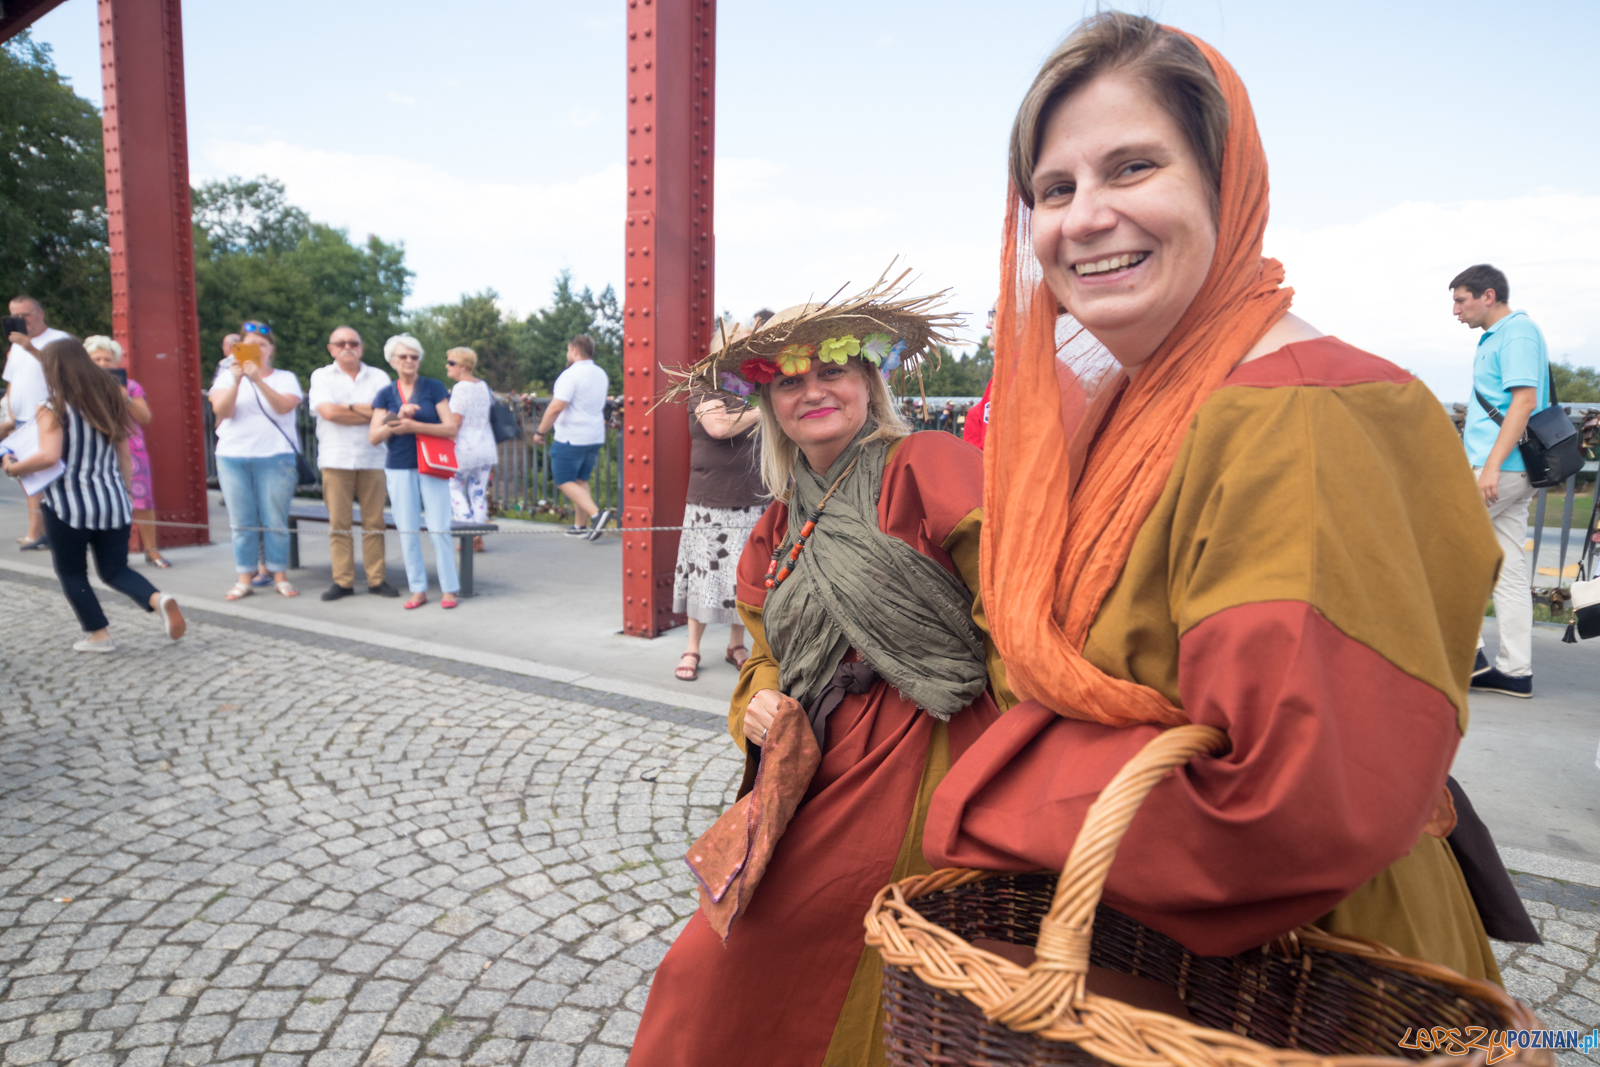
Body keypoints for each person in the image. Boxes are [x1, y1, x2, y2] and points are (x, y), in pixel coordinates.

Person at [924, 12, 1514, 993]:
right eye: (1053, 188)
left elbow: (1287, 803)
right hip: (1151, 943)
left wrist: (984, 791)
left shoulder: (1301, 413)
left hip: (1303, 974)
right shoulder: (1139, 396)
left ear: (1224, 179)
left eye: (1131, 167)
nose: (1082, 217)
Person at [631, 284, 1016, 1066]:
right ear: (768, 403)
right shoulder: (774, 524)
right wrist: (760, 697)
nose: (813, 389)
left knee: (921, 983)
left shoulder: (929, 465)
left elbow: (1014, 611)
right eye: (788, 379)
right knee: (713, 970)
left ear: (869, 382)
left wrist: (1025, 764)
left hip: (942, 757)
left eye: (833, 369)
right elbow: (762, 648)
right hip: (820, 766)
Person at [1, 335, 185, 650]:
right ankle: (157, 598)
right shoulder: (110, 401)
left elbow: (49, 456)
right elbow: (124, 457)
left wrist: (12, 467)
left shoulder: (53, 407)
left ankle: (99, 635)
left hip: (68, 505)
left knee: (72, 572)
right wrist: (124, 493)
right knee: (115, 569)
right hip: (112, 500)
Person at [1452, 264, 1545, 699]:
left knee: (1446, 544)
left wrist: (1489, 467)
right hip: (1505, 467)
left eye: (1461, 300)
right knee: (1508, 567)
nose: (1456, 310)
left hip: (1502, 470)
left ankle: (1467, 655)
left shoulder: (1517, 333)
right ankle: (1515, 671)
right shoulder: (1496, 337)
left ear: (1488, 296)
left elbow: (1524, 401)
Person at [670, 373, 764, 681]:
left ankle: (735, 645)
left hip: (755, 496)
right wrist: (765, 408)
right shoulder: (703, 387)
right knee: (703, 576)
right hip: (709, 502)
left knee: (746, 574)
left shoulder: (756, 388)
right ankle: (692, 647)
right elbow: (719, 426)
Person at [209, 322, 305, 600]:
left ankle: (279, 576)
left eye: (262, 345)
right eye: (249, 345)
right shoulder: (227, 377)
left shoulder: (285, 377)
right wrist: (238, 379)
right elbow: (222, 410)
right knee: (241, 521)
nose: (257, 350)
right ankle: (244, 577)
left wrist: (258, 380)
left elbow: (283, 406)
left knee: (275, 519)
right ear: (238, 350)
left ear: (271, 349)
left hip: (275, 458)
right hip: (232, 456)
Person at [368, 334, 461, 610]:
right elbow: (374, 436)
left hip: (432, 463)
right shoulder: (386, 394)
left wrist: (415, 426)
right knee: (407, 528)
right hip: (399, 465)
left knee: (439, 527)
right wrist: (399, 417)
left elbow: (451, 428)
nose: (409, 361)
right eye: (403, 356)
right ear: (393, 361)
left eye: (414, 356)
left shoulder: (433, 387)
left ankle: (449, 588)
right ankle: (417, 589)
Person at [307, 326, 397, 601]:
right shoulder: (321, 376)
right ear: (331, 348)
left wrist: (347, 407)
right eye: (341, 342)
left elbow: (388, 416)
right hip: (336, 458)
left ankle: (376, 579)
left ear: (361, 347)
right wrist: (366, 410)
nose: (348, 346)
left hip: (373, 457)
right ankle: (343, 581)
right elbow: (328, 412)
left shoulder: (379, 376)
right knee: (339, 524)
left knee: (374, 522)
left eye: (353, 342)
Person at [83, 336, 170, 569]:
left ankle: (152, 550)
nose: (103, 363)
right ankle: (110, 552)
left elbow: (145, 417)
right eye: (97, 359)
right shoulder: (81, 388)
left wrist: (127, 399)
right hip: (95, 451)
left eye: (108, 359)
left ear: (116, 362)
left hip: (131, 450)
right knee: (102, 502)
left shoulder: (130, 386)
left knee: (142, 501)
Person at [4, 296, 70, 550]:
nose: (20, 321)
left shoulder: (58, 339)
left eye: (25, 315)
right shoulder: (15, 347)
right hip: (21, 419)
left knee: (44, 472)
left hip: (48, 415)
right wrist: (9, 416)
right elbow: (13, 382)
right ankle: (38, 530)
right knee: (28, 475)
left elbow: (63, 370)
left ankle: (42, 531)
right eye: (14, 317)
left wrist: (29, 346)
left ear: (40, 314)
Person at [530, 334, 611, 539]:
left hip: (571, 437)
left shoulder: (570, 375)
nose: (567, 354)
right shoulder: (600, 373)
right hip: (594, 435)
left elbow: (557, 406)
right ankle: (579, 527)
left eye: (568, 350)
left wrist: (540, 431)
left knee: (563, 480)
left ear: (574, 351)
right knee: (580, 480)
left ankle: (596, 515)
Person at [444, 346, 496, 551]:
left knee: (454, 488)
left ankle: (467, 533)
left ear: (463, 367)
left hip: (464, 447)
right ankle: (478, 536)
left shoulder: (460, 388)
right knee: (478, 492)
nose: (447, 366)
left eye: (451, 363)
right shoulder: (484, 386)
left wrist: (447, 441)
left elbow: (456, 421)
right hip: (485, 446)